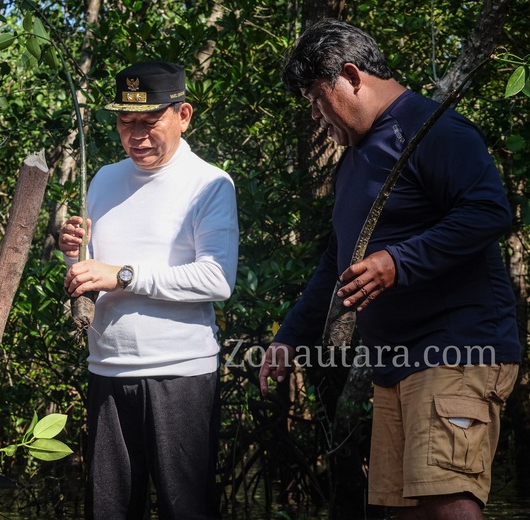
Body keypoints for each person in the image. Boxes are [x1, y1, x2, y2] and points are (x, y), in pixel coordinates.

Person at [259, 19, 521, 520]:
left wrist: (397, 262)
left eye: (317, 98)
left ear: (352, 76)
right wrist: (290, 336)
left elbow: (488, 211)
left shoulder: (431, 128)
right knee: (407, 511)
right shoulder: (352, 163)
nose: (316, 116)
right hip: (395, 364)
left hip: (457, 349)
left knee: (449, 503)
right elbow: (337, 263)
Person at [59, 60, 239, 519]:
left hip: (180, 376)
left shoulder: (210, 183)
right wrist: (73, 257)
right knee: (109, 510)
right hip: (108, 370)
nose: (135, 135)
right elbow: (92, 274)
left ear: (183, 115)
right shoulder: (104, 179)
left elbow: (216, 278)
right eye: (125, 122)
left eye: (148, 121)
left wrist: (122, 274)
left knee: (186, 510)